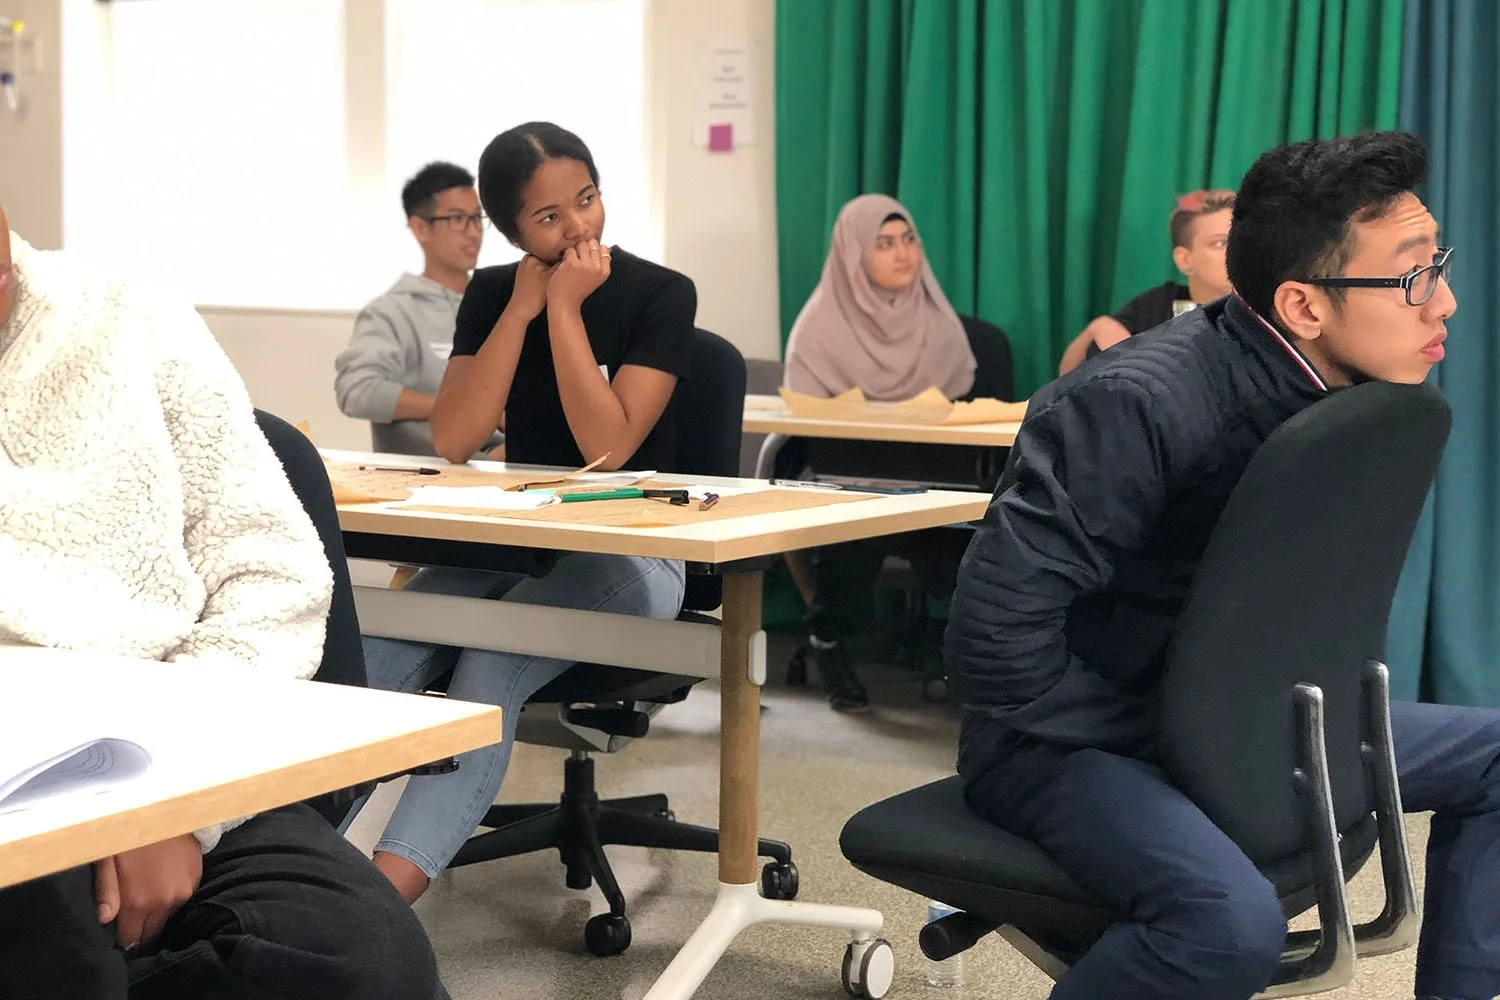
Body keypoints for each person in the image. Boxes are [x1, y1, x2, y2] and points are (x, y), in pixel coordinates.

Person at [947, 131, 1496, 1000]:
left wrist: (1228, 731)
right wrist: (1185, 738)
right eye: (1413, 276)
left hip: (1252, 717)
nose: (1447, 302)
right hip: (1064, 740)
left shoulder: (1349, 396)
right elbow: (993, 644)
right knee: (1229, 928)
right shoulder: (1136, 406)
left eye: (1440, 264)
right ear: (1304, 308)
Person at [0, 208, 446, 999]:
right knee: (65, 961)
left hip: (179, 745)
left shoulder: (129, 317)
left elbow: (270, 577)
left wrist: (169, 799)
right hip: (17, 791)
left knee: (372, 965)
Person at [344, 122, 690, 904]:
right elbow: (458, 436)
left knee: (491, 660)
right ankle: (292, 863)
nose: (578, 228)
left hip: (635, 552)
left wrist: (566, 310)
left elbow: (609, 449)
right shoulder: (496, 293)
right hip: (515, 540)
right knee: (378, 652)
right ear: (507, 230)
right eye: (549, 218)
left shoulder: (661, 294)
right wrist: (520, 313)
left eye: (587, 201)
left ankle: (377, 900)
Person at [780, 194, 980, 712]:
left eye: (908, 240)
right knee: (859, 531)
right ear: (853, 254)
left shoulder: (939, 322)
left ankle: (963, 654)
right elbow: (804, 423)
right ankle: (829, 642)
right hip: (845, 480)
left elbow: (959, 404)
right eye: (884, 244)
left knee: (969, 536)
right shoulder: (819, 328)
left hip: (931, 480)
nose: (903, 254)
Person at [335, 161, 502, 457]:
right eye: (457, 218)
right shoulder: (391, 312)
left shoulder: (498, 305)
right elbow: (357, 391)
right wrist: (459, 410)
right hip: (432, 476)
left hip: (509, 463)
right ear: (420, 228)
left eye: (477, 218)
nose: (474, 232)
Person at [1057, 189, 1235, 375]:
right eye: (1221, 243)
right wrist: (1097, 327)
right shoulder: (1159, 303)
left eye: (1241, 240)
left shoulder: (1260, 311)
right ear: (1184, 259)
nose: (1237, 251)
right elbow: (1066, 378)